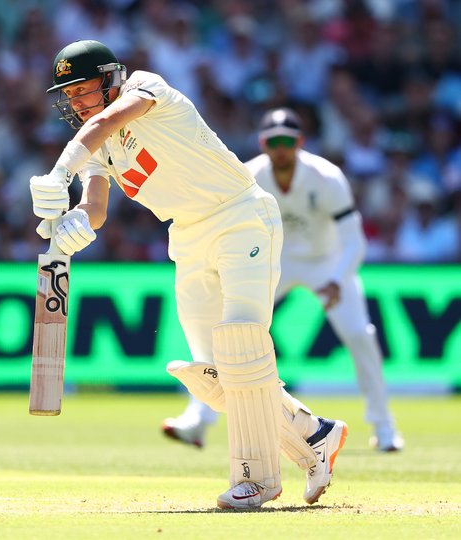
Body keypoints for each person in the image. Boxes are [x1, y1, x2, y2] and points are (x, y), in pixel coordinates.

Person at [29, 40, 348, 510]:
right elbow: (95, 206)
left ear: (111, 77)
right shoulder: (95, 151)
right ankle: (314, 434)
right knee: (215, 375)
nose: (76, 102)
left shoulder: (145, 88)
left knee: (242, 342)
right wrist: (76, 223)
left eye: (83, 89)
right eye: (69, 95)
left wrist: (59, 170)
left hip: (240, 215)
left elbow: (105, 122)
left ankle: (257, 480)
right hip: (188, 236)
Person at [163, 108, 403, 452]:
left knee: (360, 336)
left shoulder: (326, 176)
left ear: (300, 142)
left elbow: (354, 240)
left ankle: (385, 428)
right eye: (273, 142)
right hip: (275, 260)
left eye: (287, 142)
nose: (280, 149)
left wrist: (337, 279)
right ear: (262, 143)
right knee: (229, 331)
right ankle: (197, 420)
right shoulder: (248, 174)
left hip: (327, 262)